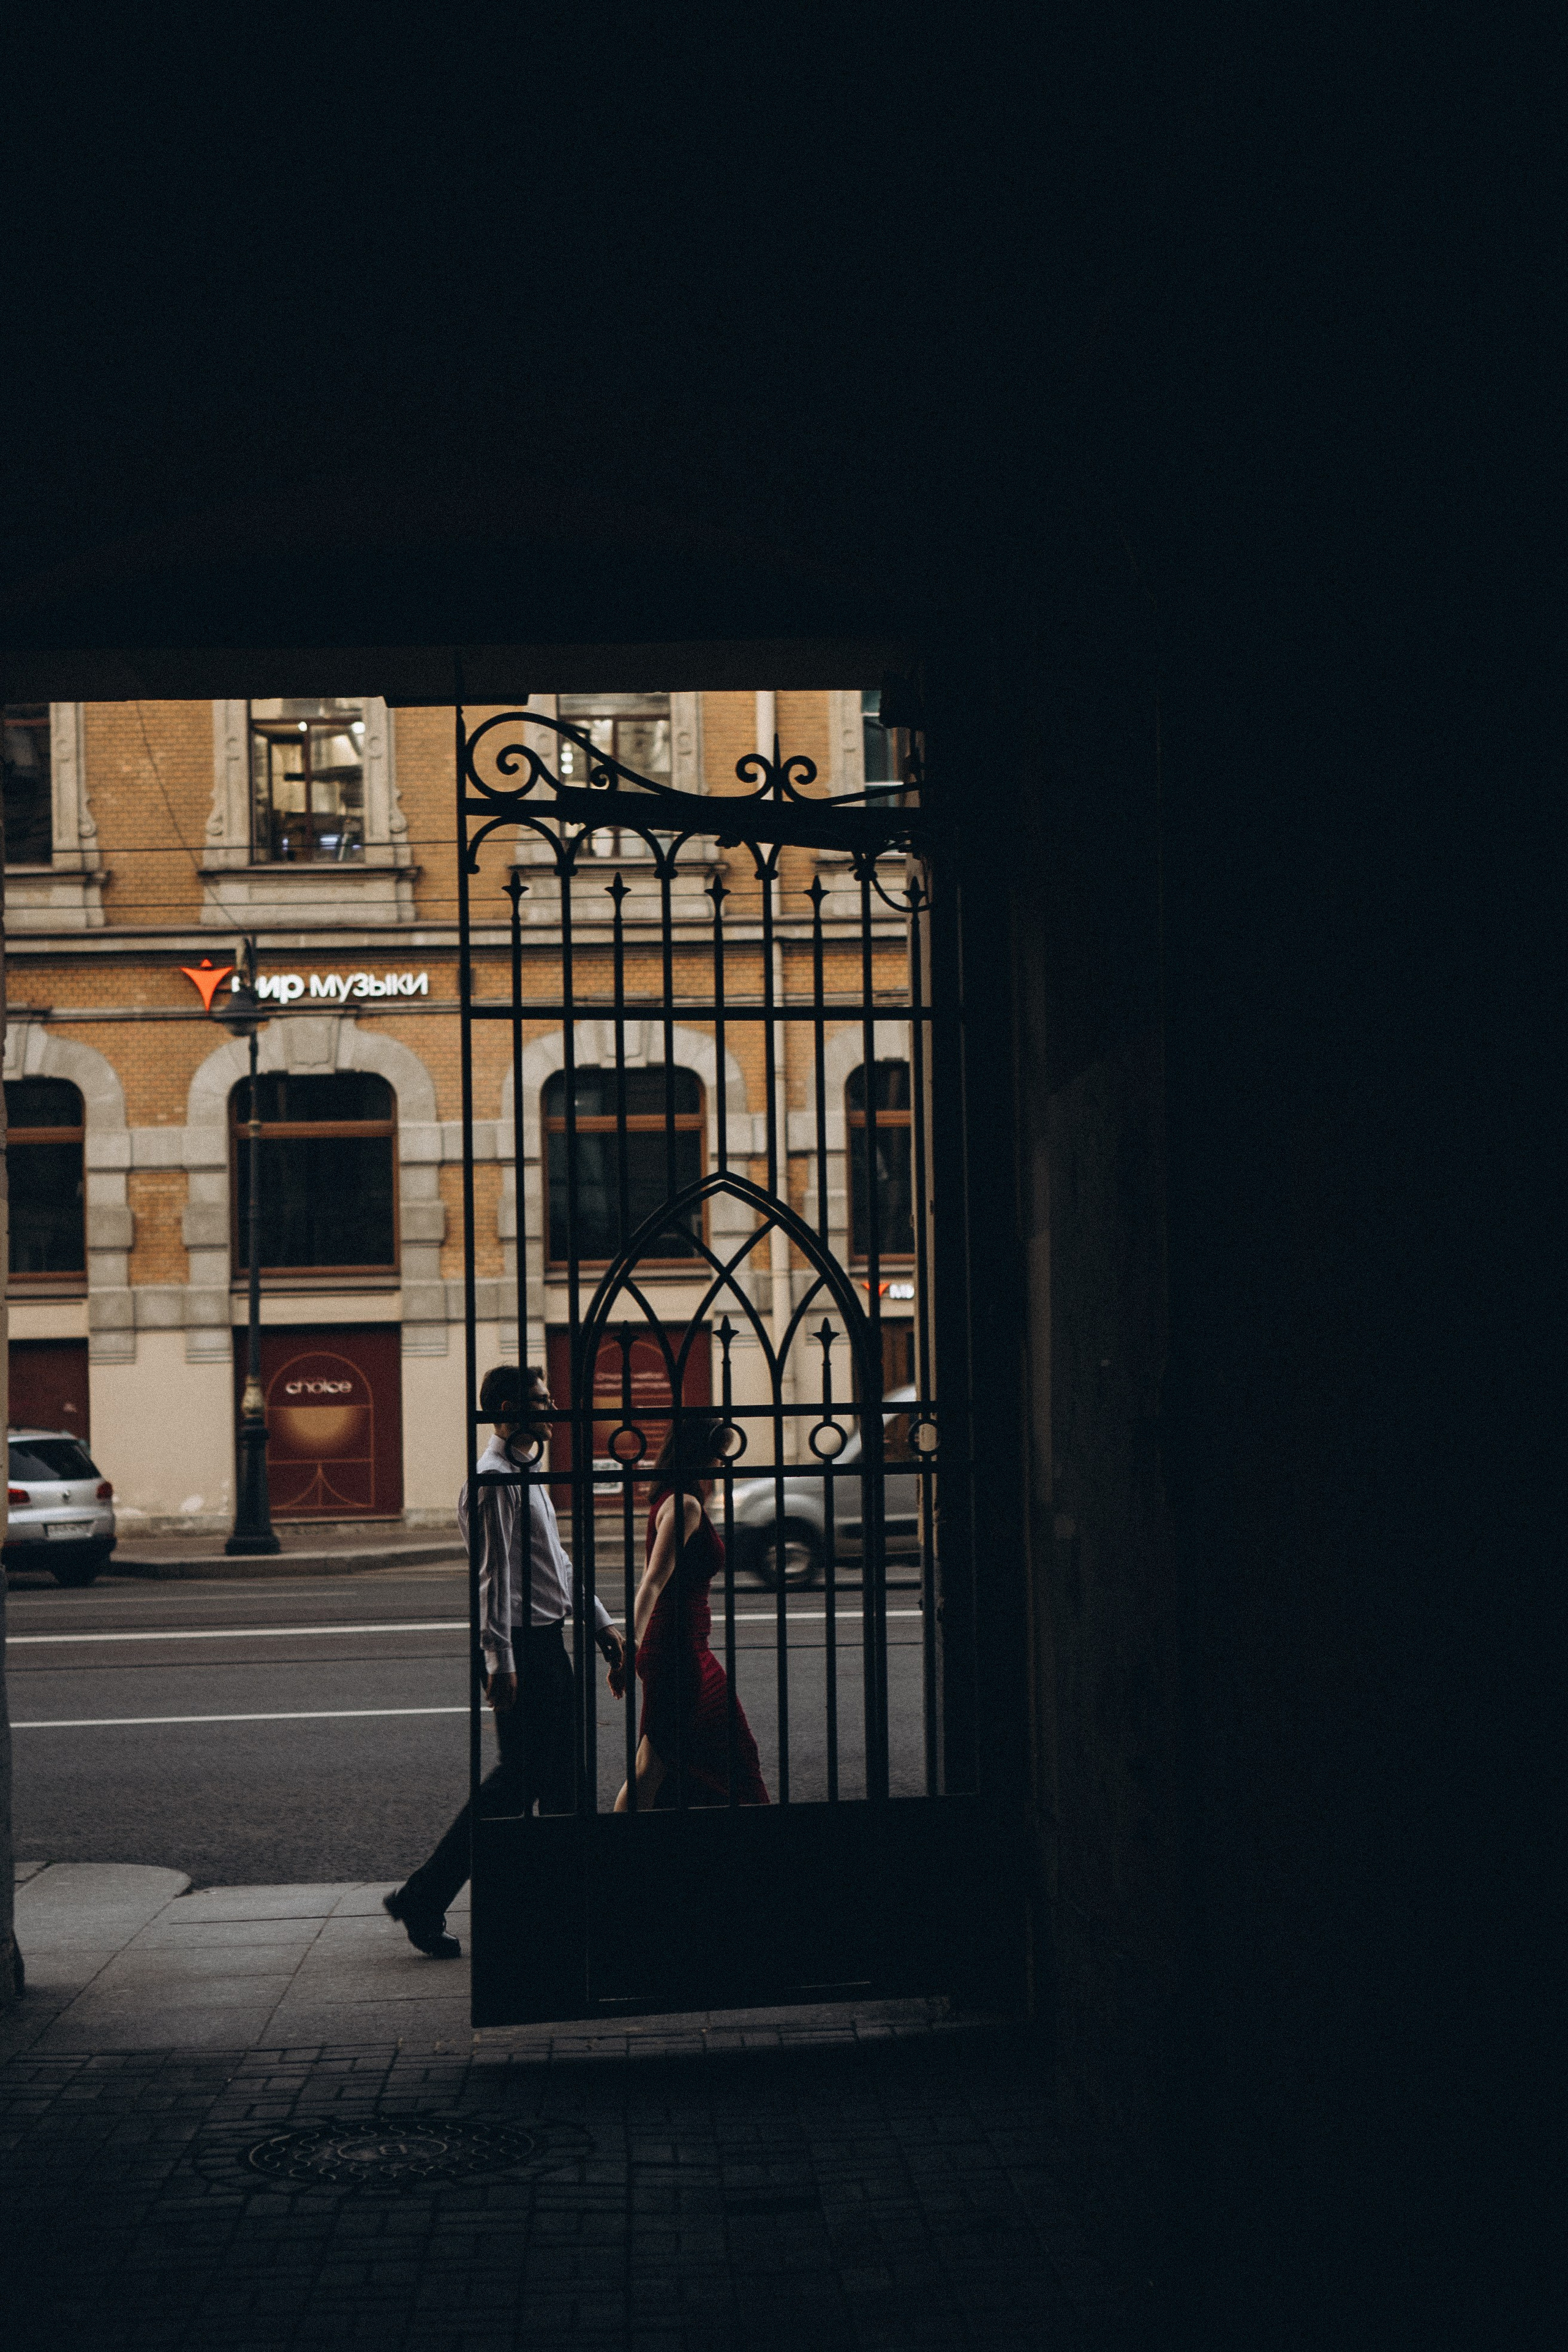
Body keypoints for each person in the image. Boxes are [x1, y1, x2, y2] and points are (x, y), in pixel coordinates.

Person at [384, 1363, 627, 1956]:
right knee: (521, 1784)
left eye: (548, 1399)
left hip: (546, 1642)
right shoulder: (494, 1482)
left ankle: (565, 1907)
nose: (551, 1410)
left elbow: (555, 1564)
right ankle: (426, 1897)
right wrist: (501, 1661)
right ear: (505, 1411)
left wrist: (600, 1622)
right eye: (540, 1401)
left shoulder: (528, 1471)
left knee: (561, 1784)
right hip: (521, 1649)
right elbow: (493, 1579)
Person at [614, 1414, 769, 1812]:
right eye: (718, 1454)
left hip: (690, 1648)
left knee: (728, 1749)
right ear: (701, 1453)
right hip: (676, 1651)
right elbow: (653, 1581)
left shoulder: (678, 1499)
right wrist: (631, 1646)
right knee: (650, 1768)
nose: (721, 1464)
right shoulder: (684, 1505)